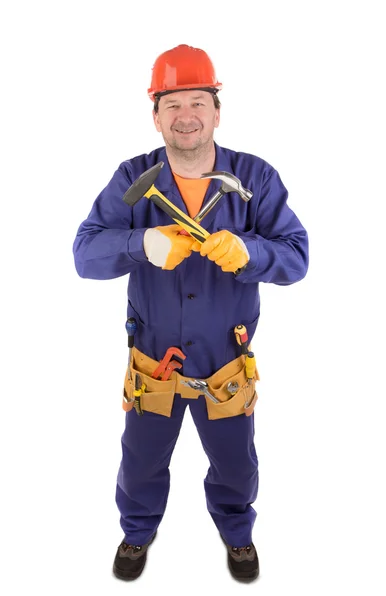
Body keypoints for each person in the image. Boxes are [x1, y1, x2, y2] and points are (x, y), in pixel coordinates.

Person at [73, 44, 309, 583]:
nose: (186, 116)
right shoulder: (134, 178)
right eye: (172, 102)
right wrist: (142, 244)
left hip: (226, 365)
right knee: (140, 464)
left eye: (198, 101)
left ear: (217, 112)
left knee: (235, 465)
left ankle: (237, 534)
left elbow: (297, 258)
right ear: (155, 115)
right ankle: (137, 533)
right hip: (154, 364)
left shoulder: (255, 179)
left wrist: (251, 253)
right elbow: (85, 254)